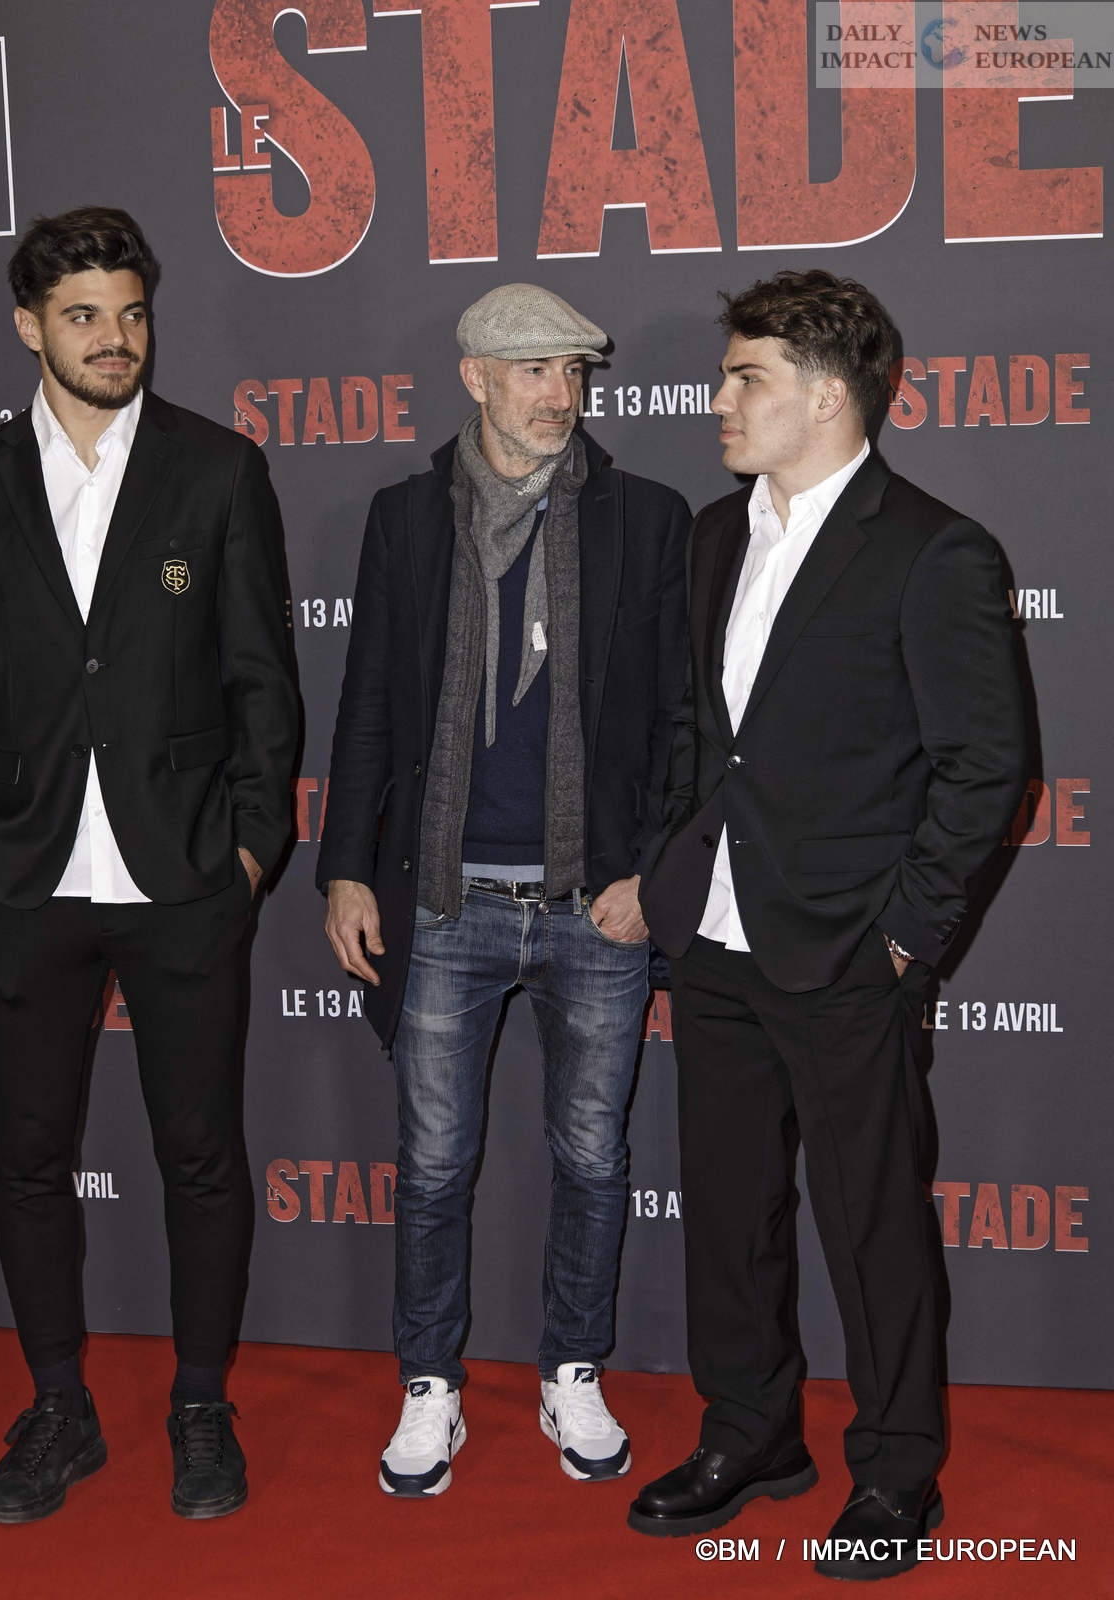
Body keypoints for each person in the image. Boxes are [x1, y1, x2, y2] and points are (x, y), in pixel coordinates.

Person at [628, 270, 1026, 1580]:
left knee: (872, 1228)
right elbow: (698, 737)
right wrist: (670, 870)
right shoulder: (711, 537)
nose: (719, 398)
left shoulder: (934, 550)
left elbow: (987, 766)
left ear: (828, 396)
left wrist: (905, 937)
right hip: (717, 940)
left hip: (851, 950)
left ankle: (898, 1471)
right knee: (728, 1213)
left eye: (745, 377)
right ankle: (750, 1435)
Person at [0, 207, 299, 1523]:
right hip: (18, 878)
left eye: (131, 314)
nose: (114, 339)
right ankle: (57, 1409)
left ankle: (200, 1406)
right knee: (30, 1157)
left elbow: (265, 685)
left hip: (183, 875)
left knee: (202, 1154)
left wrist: (249, 853)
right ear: (29, 327)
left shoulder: (219, 470)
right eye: (84, 317)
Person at [319, 283, 689, 1497]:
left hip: (597, 904)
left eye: (573, 372)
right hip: (442, 897)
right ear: (474, 376)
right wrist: (345, 867)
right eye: (534, 371)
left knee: (592, 1156)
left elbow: (683, 721)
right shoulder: (405, 519)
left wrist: (653, 873)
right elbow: (368, 702)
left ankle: (573, 1368)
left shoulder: (647, 518)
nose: (560, 395)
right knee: (432, 1164)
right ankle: (430, 1383)